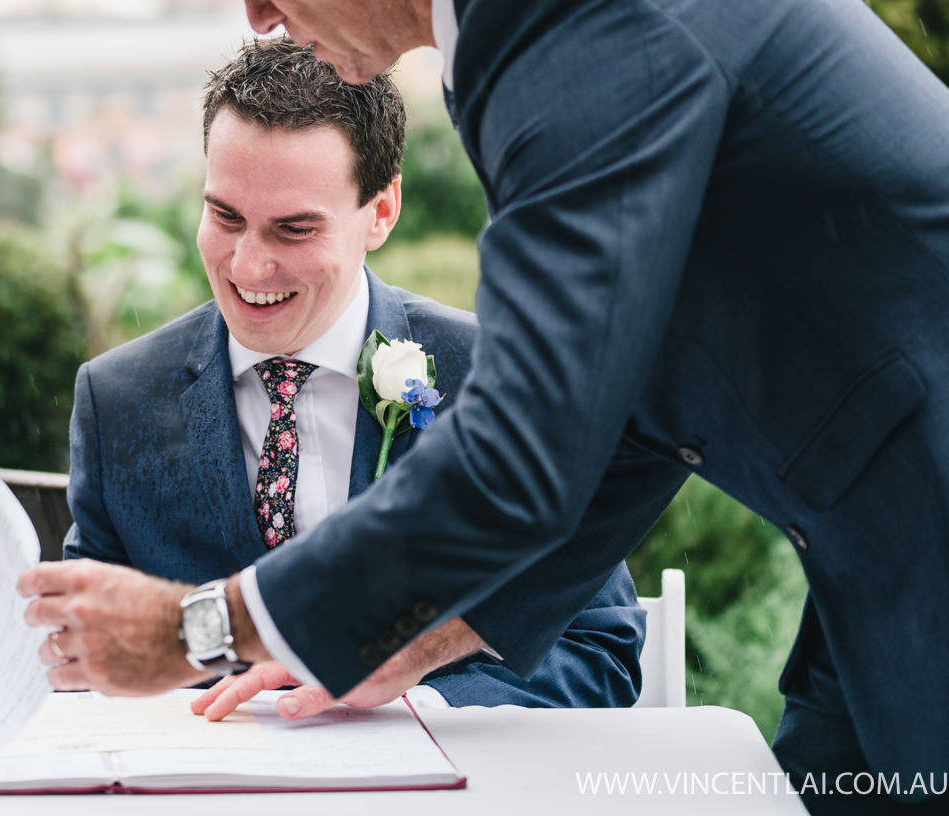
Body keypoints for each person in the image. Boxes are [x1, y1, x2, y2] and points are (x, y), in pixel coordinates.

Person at [18, 0, 949, 808]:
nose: (259, 16)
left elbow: (528, 446)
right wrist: (397, 646)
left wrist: (203, 627)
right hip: (887, 564)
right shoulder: (542, 1)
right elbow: (630, 410)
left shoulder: (567, 15)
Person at [63, 37, 644, 709]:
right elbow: (82, 664)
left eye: (294, 230)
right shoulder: (119, 399)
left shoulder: (497, 378)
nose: (248, 267)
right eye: (225, 216)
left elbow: (599, 653)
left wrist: (406, 706)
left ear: (382, 212)